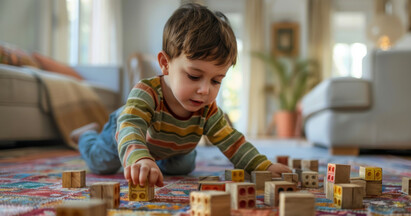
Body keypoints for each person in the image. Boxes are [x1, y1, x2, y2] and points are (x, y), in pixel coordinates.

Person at [71, 3, 291, 188]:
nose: (205, 90)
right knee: (102, 164)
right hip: (125, 130)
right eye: (194, 76)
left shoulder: (208, 109)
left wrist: (263, 166)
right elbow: (131, 126)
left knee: (182, 167)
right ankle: (86, 136)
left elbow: (232, 142)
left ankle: (171, 153)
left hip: (171, 145)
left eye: (216, 81)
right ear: (165, 64)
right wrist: (140, 157)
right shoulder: (146, 92)